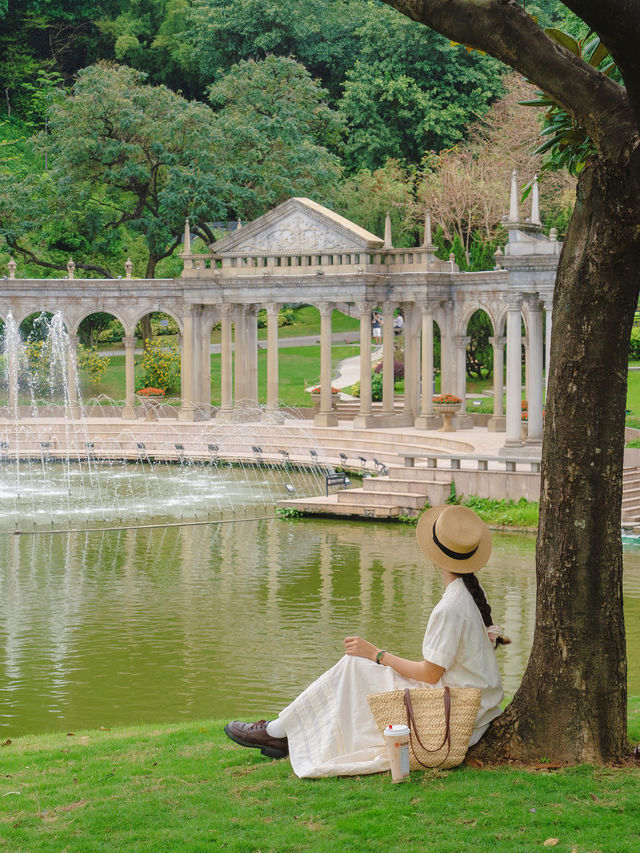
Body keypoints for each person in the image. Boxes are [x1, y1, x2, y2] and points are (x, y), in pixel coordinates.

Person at [224, 504, 508, 778]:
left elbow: (430, 673)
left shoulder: (451, 607)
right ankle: (283, 730)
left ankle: (277, 732)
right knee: (356, 667)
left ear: (434, 556)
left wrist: (377, 654)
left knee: (356, 665)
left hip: (458, 710)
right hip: (473, 701)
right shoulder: (467, 592)